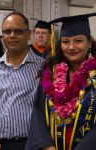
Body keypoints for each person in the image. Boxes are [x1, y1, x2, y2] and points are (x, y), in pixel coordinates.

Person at [25, 12, 96, 150]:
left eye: (78, 41)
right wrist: (47, 146)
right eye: (65, 41)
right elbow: (38, 113)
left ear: (89, 43)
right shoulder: (50, 75)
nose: (71, 47)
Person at [0, 11, 43, 150]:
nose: (12, 36)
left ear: (29, 34)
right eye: (7, 31)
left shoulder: (43, 67)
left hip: (31, 144)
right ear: (2, 36)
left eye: (18, 31)